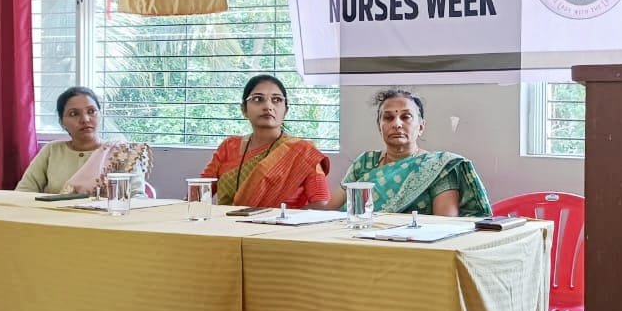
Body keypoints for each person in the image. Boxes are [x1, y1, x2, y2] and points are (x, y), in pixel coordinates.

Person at [331, 89, 491, 217]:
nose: (397, 124)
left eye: (406, 117)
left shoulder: (437, 167)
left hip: (413, 244)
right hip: (357, 239)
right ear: (380, 127)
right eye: (388, 118)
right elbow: (328, 210)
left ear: (421, 127)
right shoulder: (365, 162)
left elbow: (444, 224)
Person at [201, 74, 331, 209]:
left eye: (277, 100)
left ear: (286, 110)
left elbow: (321, 205)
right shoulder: (229, 146)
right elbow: (199, 192)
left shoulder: (303, 153)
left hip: (281, 222)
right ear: (244, 109)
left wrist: (281, 217)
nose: (268, 106)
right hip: (226, 222)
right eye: (258, 99)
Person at [16, 86, 151, 196]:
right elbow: (23, 192)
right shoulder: (52, 151)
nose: (85, 119)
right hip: (55, 219)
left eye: (91, 111)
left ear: (100, 115)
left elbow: (137, 197)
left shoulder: (120, 153)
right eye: (74, 114)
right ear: (62, 122)